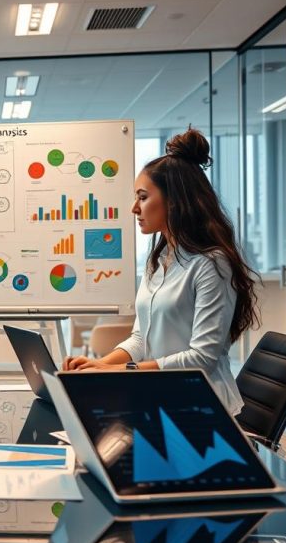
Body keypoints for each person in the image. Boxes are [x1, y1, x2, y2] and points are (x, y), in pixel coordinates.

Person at [62, 128, 259, 415]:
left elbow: (202, 358)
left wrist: (121, 371)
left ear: (175, 201)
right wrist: (100, 364)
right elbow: (141, 338)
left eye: (143, 197)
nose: (134, 208)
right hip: (157, 398)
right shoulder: (158, 260)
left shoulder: (212, 264)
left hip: (201, 408)